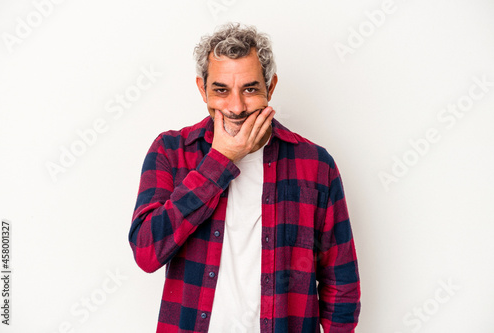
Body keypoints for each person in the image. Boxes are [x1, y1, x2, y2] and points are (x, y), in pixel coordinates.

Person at [129, 22, 361, 333]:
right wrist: (220, 160)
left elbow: (340, 282)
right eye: (221, 90)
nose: (236, 107)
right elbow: (147, 252)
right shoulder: (171, 152)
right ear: (203, 89)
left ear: (271, 87)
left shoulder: (315, 165)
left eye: (250, 89)